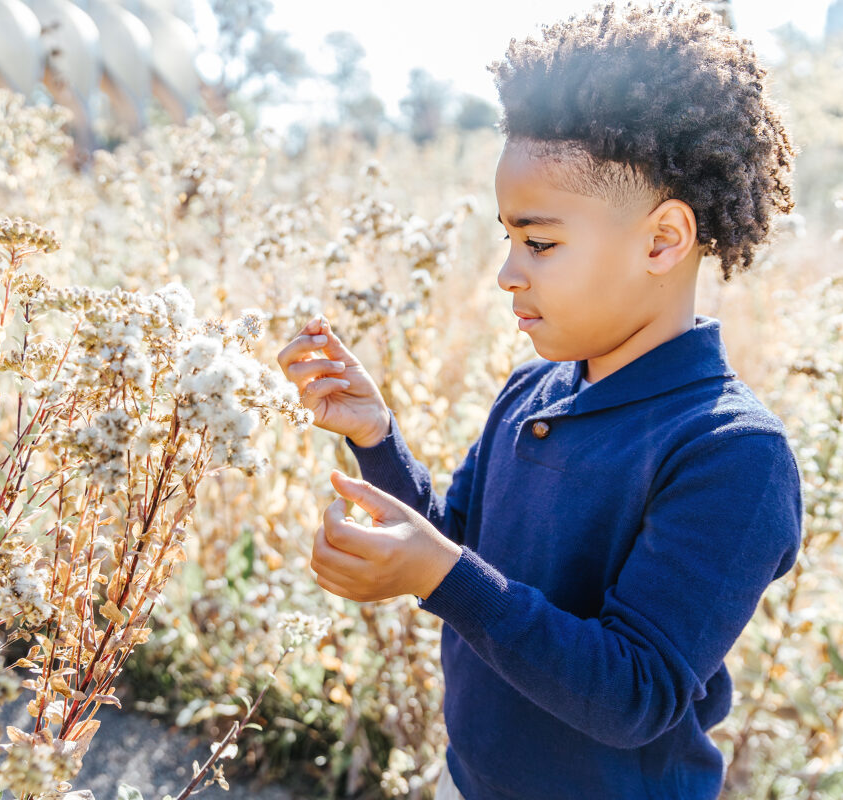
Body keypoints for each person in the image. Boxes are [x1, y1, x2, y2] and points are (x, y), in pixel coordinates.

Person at [276, 1, 803, 797]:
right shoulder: (534, 389)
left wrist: (439, 573)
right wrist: (378, 439)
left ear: (664, 239)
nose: (508, 274)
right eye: (507, 237)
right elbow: (460, 550)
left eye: (541, 242)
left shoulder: (733, 453)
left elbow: (635, 693)